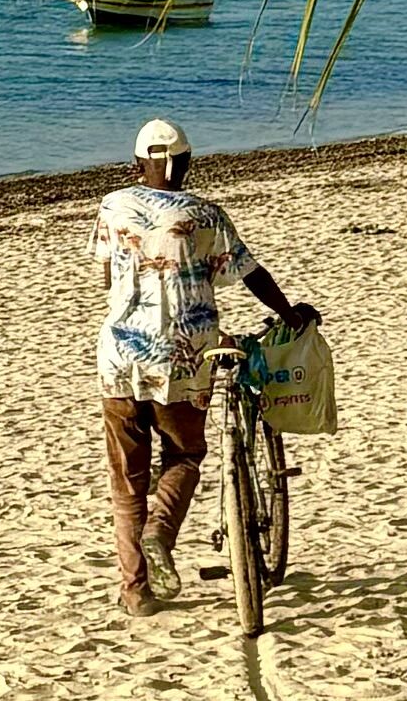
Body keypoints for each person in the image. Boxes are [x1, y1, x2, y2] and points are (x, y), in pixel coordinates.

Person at [92, 114, 318, 612]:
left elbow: (108, 276)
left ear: (135, 165)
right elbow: (249, 272)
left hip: (118, 359)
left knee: (126, 479)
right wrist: (288, 312)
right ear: (188, 162)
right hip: (183, 356)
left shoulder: (114, 206)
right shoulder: (206, 215)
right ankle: (161, 532)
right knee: (185, 456)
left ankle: (136, 592)